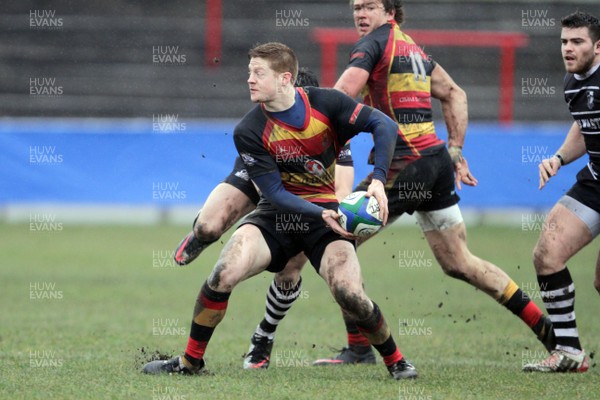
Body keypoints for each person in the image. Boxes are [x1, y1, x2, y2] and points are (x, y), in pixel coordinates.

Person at [246, 0, 556, 367]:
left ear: (389, 11)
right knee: (459, 262)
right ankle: (552, 336)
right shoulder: (411, 48)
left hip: (403, 166)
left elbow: (340, 95)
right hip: (434, 162)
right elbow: (456, 93)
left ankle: (359, 349)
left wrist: (301, 128)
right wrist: (455, 152)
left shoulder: (372, 45)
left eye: (369, 6)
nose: (360, 14)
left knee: (332, 236)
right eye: (356, 7)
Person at [143, 41, 418, 380]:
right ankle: (190, 362)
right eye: (249, 73)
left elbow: (385, 126)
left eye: (258, 73)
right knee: (222, 273)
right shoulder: (249, 130)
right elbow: (272, 192)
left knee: (350, 294)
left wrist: (377, 181)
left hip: (325, 221)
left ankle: (397, 361)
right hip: (278, 217)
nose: (249, 80)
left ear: (285, 78)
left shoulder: (326, 103)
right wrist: (320, 213)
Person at [170, 68, 355, 369]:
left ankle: (264, 335)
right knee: (210, 224)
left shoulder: (328, 129)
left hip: (301, 197)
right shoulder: (264, 124)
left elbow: (343, 189)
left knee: (289, 270)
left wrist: (341, 212)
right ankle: (201, 237)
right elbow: (265, 188)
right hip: (264, 180)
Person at [522, 11, 600, 373]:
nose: (568, 48)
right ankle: (569, 351)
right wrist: (558, 158)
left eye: (577, 41)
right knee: (547, 253)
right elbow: (584, 127)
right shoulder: (573, 83)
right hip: (595, 181)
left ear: (598, 46)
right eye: (564, 42)